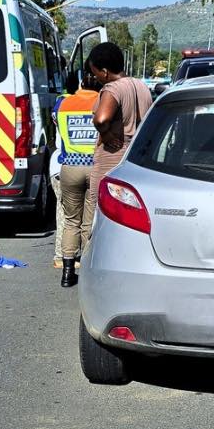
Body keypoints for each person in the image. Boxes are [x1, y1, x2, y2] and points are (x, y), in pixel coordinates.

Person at [75, 42, 152, 287]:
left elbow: (102, 118)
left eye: (95, 71)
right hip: (136, 159)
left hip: (111, 158)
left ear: (105, 71)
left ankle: (102, 276)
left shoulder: (112, 88)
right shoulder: (141, 86)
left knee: (102, 221)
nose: (95, 77)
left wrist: (105, 133)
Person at [54, 71, 100, 285]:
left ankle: (67, 272)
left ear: (81, 82)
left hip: (70, 166)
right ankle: (90, 273)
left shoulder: (63, 103)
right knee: (88, 223)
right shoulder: (102, 102)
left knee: (71, 221)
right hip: (94, 166)